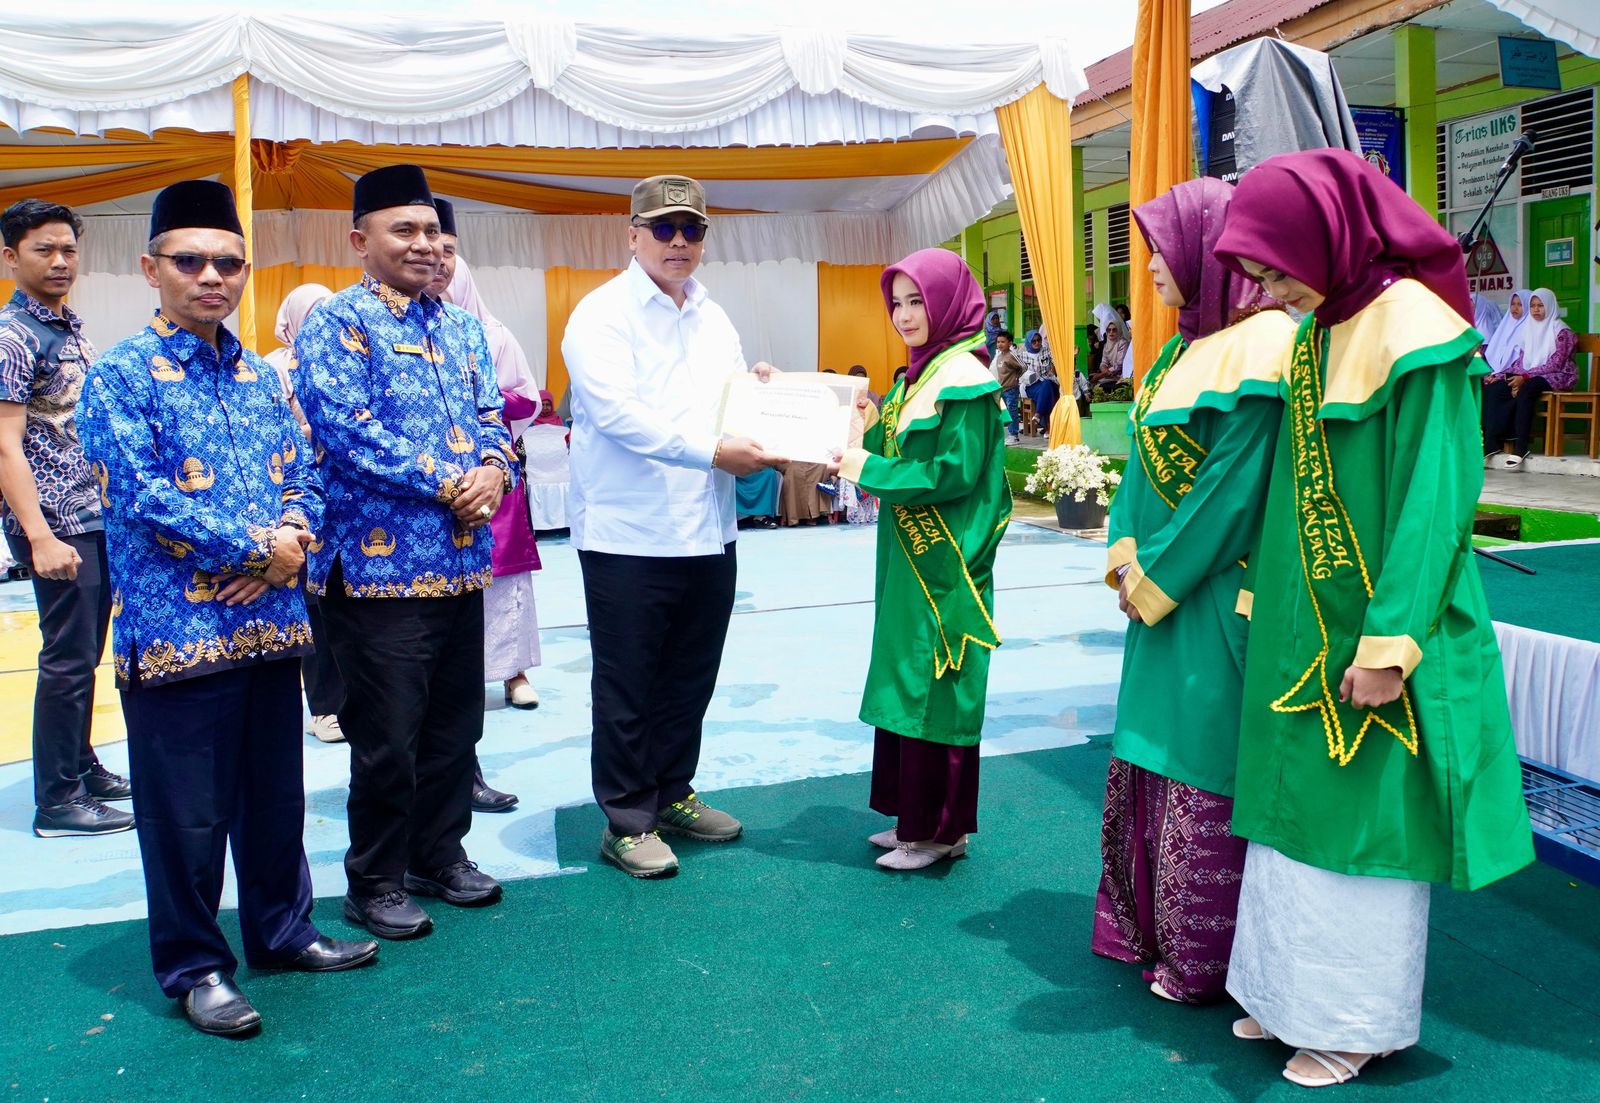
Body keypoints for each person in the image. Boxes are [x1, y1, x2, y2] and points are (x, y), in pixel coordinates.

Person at [1213, 148, 1533, 1088]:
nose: (1270, 291)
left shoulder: (1419, 333)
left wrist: (1392, 644)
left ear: (1326, 237)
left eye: (1276, 269)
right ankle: (1278, 995)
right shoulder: (1315, 332)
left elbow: (1435, 504)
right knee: (1289, 818)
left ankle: (1355, 1024)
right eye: (1260, 275)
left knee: (1365, 834)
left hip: (1380, 631)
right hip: (1302, 626)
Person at [78, 180, 377, 1036]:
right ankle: (196, 964)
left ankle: (282, 930)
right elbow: (140, 497)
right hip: (178, 634)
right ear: (151, 267)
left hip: (269, 628)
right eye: (191, 260)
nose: (212, 275)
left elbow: (305, 474)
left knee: (275, 798)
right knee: (187, 815)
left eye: (229, 262)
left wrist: (289, 534)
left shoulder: (258, 375)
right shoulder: (122, 375)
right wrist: (263, 549)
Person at [295, 165, 517, 938]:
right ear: (361, 240)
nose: (424, 245)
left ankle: (439, 853)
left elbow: (495, 415)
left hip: (460, 562)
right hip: (379, 570)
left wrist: (494, 469)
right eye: (405, 231)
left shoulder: (460, 325)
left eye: (431, 232)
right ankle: (375, 879)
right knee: (387, 737)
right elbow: (347, 432)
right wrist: (449, 479)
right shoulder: (338, 322)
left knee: (458, 726)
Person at [1092, 177, 1294, 1005]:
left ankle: (1202, 955)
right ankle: (1142, 926)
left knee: (1201, 756)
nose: (1152, 268)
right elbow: (1141, 471)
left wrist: (1156, 578)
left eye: (1164, 249)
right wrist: (1123, 560)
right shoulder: (1176, 349)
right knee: (1149, 748)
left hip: (1212, 599)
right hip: (1157, 596)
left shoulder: (1266, 345)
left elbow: (1232, 488)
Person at [561, 174, 782, 878]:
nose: (679, 241)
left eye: (691, 229)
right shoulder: (599, 315)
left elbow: (725, 402)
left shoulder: (714, 316)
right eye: (664, 228)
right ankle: (626, 818)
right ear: (632, 234)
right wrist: (713, 450)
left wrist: (763, 393)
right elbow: (618, 415)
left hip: (708, 528)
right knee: (629, 682)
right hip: (630, 533)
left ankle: (673, 789)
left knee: (690, 673)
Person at [834, 247, 1011, 872]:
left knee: (936, 681)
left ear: (948, 304)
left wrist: (867, 465)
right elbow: (901, 451)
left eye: (918, 301)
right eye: (898, 303)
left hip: (946, 565)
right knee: (909, 680)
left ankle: (938, 831)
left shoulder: (964, 379)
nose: (906, 315)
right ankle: (919, 821)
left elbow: (951, 473)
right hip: (908, 562)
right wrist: (869, 421)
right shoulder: (920, 376)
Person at [0, 199, 133, 838]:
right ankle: (56, 800)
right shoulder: (12, 337)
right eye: (42, 250)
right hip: (55, 520)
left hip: (92, 509)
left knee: (87, 653)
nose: (59, 262)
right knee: (66, 657)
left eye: (68, 250)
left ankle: (81, 763)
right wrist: (38, 535)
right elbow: (4, 446)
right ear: (10, 257)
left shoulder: (65, 324)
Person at [432, 198, 542, 814]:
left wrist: (492, 461)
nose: (437, 261)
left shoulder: (483, 333)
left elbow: (519, 402)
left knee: (481, 620)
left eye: (447, 249)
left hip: (485, 494)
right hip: (409, 518)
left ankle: (462, 768)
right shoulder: (357, 329)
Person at [263, 283, 346, 746]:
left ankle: (351, 699)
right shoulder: (276, 368)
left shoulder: (346, 362)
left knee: (343, 604)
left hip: (345, 503)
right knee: (311, 606)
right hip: (298, 500)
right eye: (311, 315)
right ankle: (325, 707)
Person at [1482, 287, 1576, 467]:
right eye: (1533, 306)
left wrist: (1524, 377)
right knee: (1496, 388)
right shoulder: (1529, 330)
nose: (1536, 310)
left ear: (1550, 306)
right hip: (1531, 375)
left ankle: (1521, 446)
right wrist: (1500, 376)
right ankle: (1492, 442)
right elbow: (1521, 362)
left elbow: (1555, 364)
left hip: (1559, 376)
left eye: (1540, 305)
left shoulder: (1562, 331)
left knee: (1527, 389)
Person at [1017, 328, 1060, 432]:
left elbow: (1056, 360)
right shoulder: (1022, 354)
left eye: (1039, 340)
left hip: (1047, 380)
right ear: (1028, 342)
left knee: (1047, 385)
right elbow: (1019, 373)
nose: (1037, 343)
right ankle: (1048, 428)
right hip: (1031, 385)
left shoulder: (1046, 351)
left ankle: (1038, 414)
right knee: (1048, 391)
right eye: (1034, 341)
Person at [1480, 287, 1528, 376]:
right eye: (1513, 304)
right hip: (1496, 374)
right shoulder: (1506, 326)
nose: (1515, 308)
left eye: (1520, 304)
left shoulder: (1528, 329)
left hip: (1515, 375)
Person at [993, 329, 1023, 444]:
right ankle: (1008, 434)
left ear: (1009, 343)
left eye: (1003, 342)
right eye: (998, 342)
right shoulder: (999, 356)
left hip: (1011, 389)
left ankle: (1014, 435)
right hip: (1003, 389)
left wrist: (1016, 377)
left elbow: (1023, 366)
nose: (1000, 344)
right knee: (1004, 411)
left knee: (1012, 411)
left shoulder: (1011, 356)